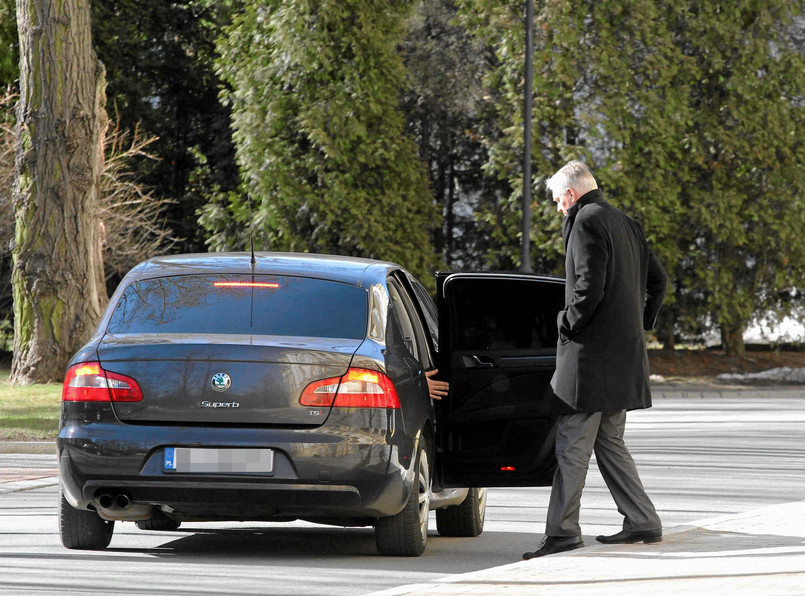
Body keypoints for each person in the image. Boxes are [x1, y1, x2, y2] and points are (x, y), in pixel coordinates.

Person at [523, 161, 668, 560]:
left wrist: (566, 324)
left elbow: (588, 284)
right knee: (610, 443)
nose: (557, 209)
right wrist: (636, 324)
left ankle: (563, 532)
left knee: (571, 447)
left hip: (589, 363)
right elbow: (659, 281)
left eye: (557, 201)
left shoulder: (585, 220)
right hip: (623, 361)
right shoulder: (627, 223)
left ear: (570, 195)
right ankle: (642, 521)